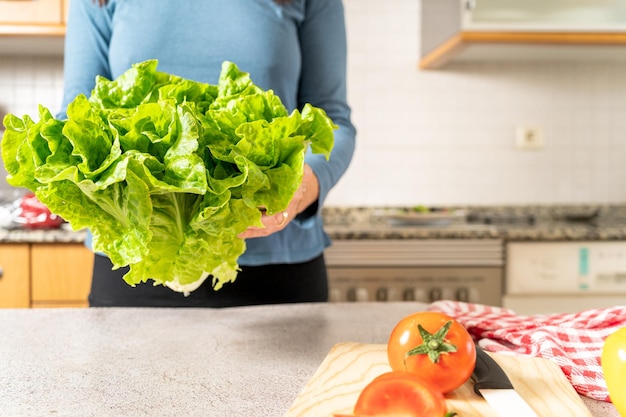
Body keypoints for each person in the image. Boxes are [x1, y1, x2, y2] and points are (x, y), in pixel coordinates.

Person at [59, 0, 356, 307]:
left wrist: (301, 186)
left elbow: (332, 122)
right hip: (134, 269)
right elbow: (75, 119)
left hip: (276, 275)